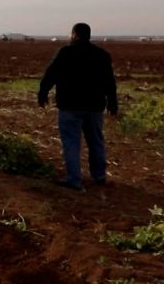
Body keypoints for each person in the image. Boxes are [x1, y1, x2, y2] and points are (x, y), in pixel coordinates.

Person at [38, 22, 119, 191]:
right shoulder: (101, 55)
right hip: (94, 106)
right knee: (96, 141)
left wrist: (43, 93)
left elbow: (50, 74)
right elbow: (109, 82)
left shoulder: (65, 52)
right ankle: (99, 175)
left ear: (74, 34)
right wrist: (112, 102)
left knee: (71, 142)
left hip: (70, 106)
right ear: (88, 35)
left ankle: (74, 179)